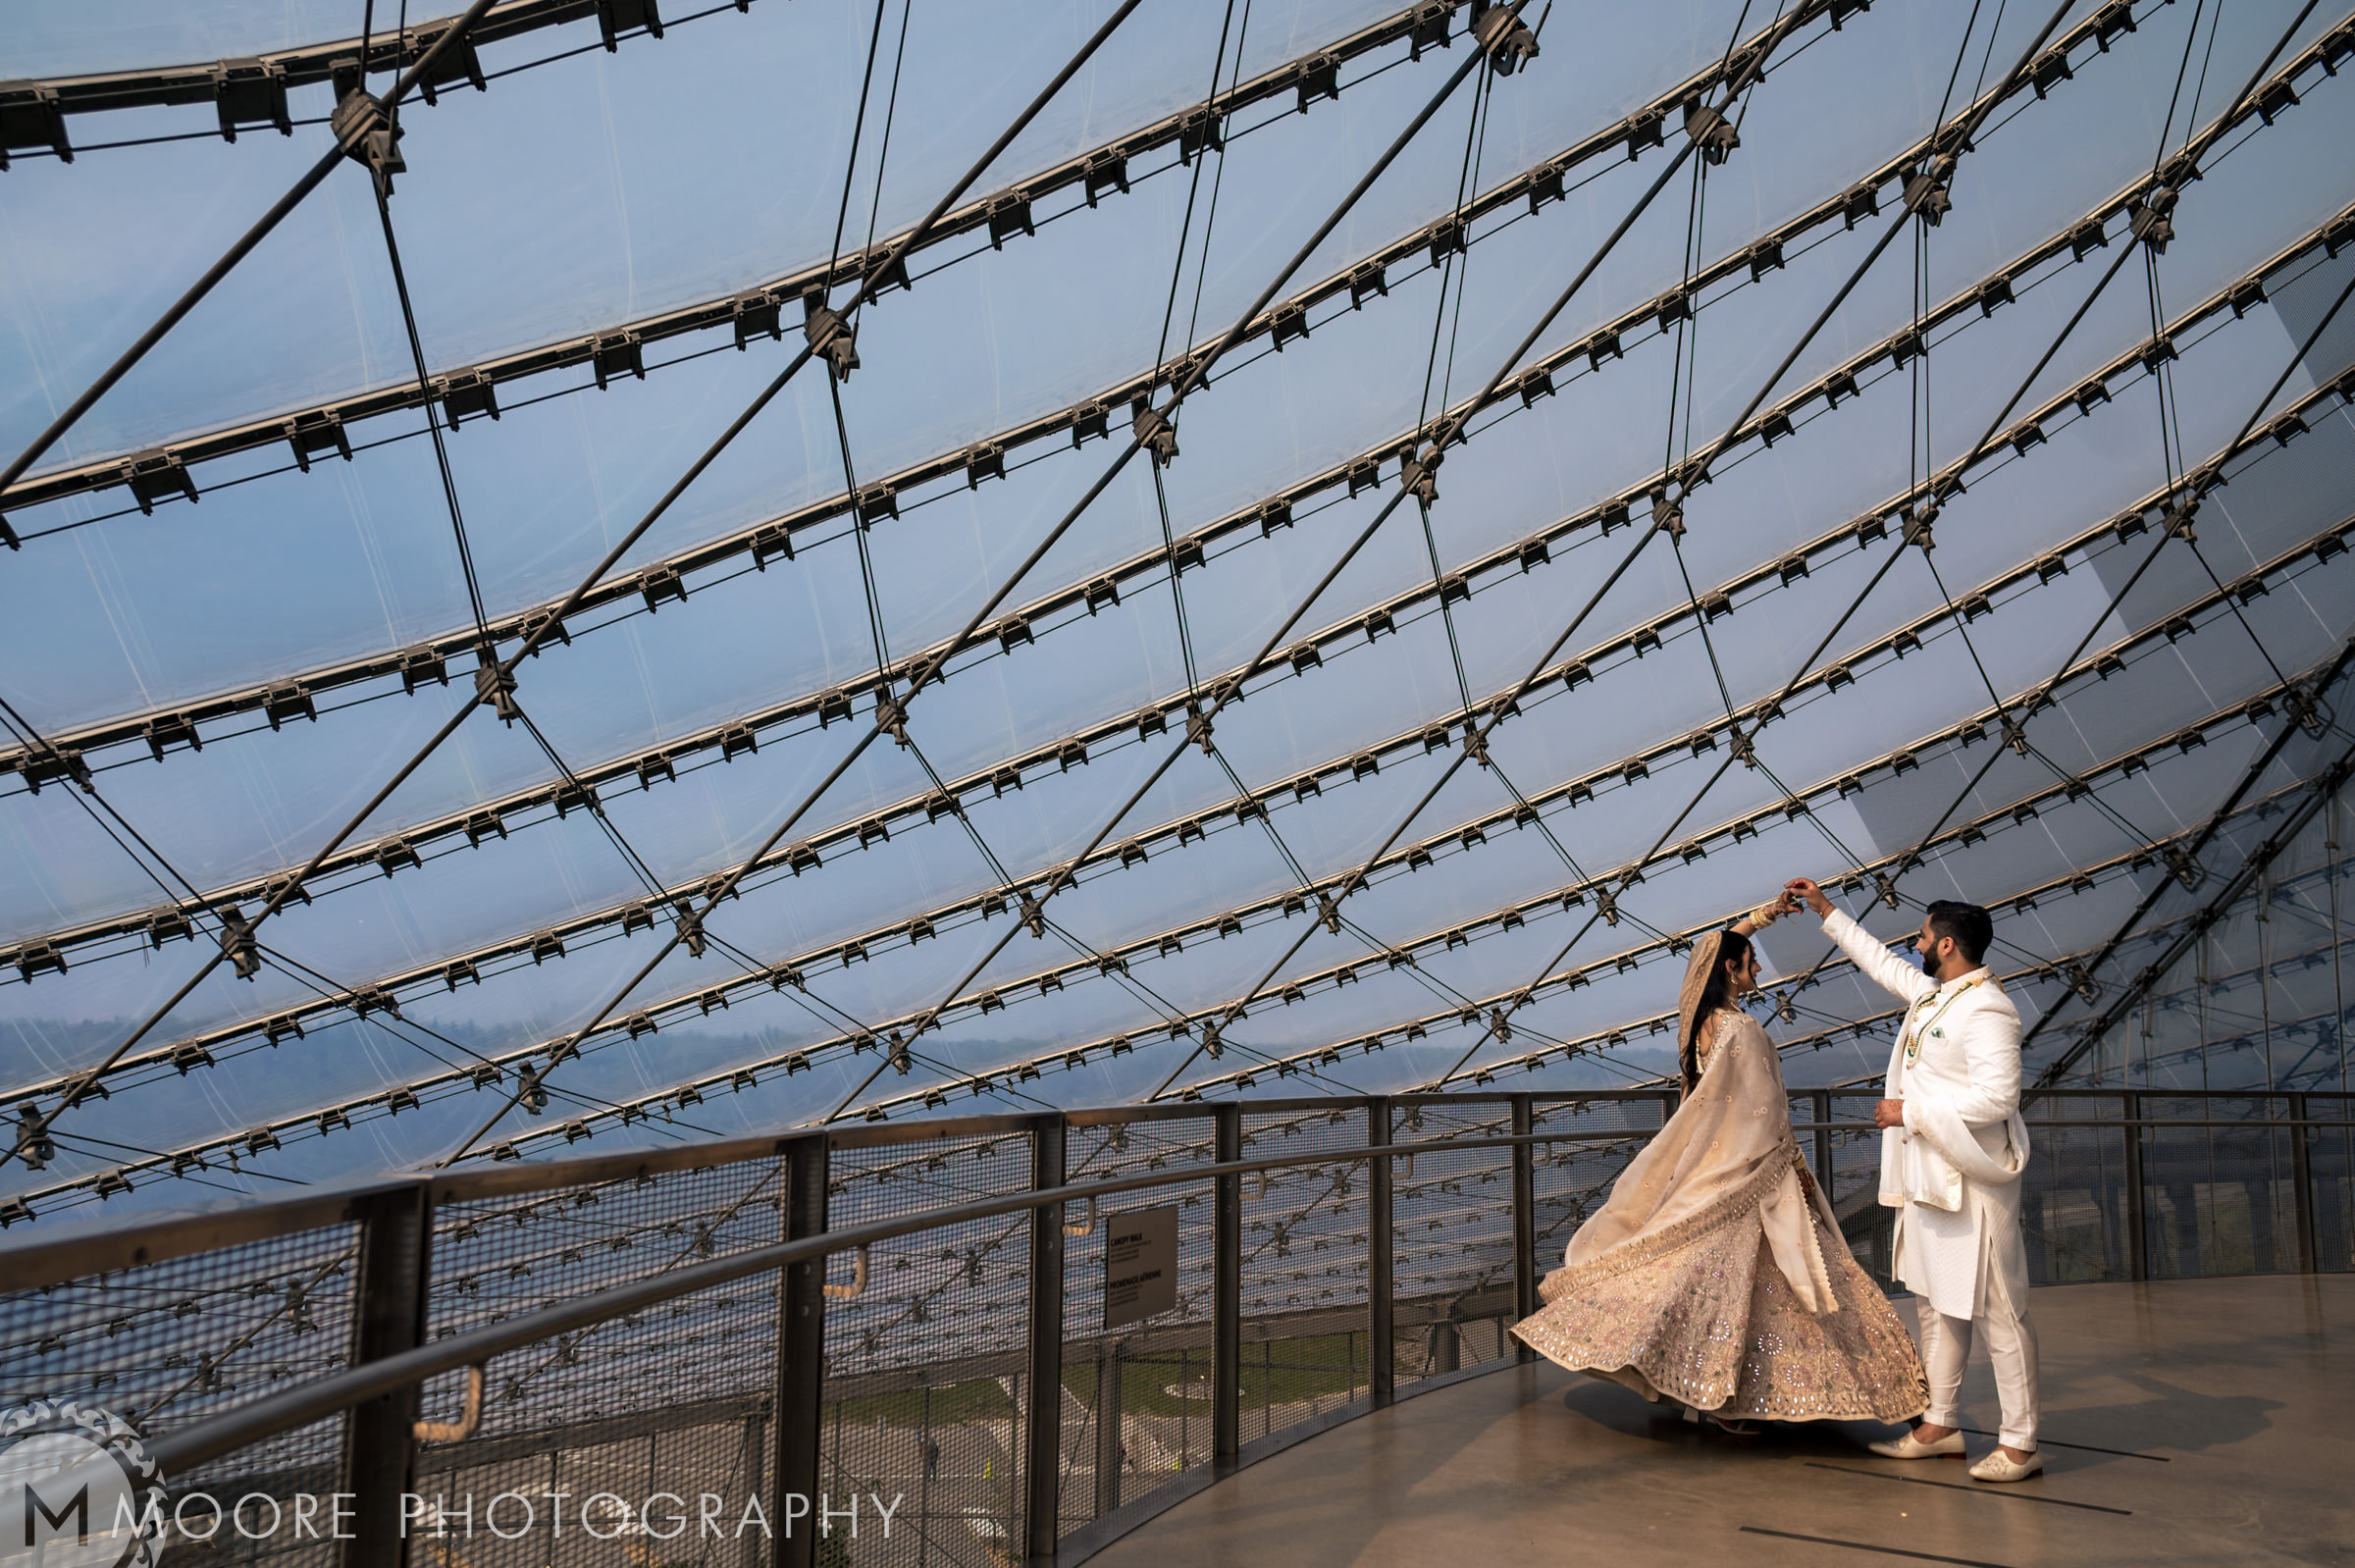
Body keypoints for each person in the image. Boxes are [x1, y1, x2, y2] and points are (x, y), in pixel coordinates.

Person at [1508, 894, 1928, 1432]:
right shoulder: (1743, 1031)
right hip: (1755, 1175)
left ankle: (1710, 1396)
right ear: (1731, 970)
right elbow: (1763, 1112)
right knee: (1807, 1289)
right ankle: (1887, 1399)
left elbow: (1705, 960)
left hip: (1709, 1174)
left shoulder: (1699, 1023)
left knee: (1719, 1293)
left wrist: (1763, 917)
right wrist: (1790, 1169)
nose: (1758, 970)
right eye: (1750, 962)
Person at [1786, 877, 2042, 1482]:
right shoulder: (1935, 995)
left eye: (1924, 936)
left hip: (1973, 1184)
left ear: (1947, 945)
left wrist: (1913, 1112)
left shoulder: (1988, 1010)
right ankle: (1940, 1424)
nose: (1916, 944)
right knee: (1937, 1307)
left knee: (2000, 1312)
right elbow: (1878, 962)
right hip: (1931, 1180)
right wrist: (1827, 911)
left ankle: (2021, 1442)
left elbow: (2000, 1096)